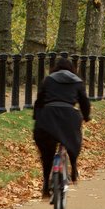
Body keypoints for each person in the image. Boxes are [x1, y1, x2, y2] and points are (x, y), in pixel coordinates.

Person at [33, 56, 91, 199]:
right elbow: (84, 102)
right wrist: (86, 116)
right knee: (73, 140)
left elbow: (40, 100)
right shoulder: (78, 82)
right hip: (69, 117)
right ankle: (74, 166)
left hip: (49, 116)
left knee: (46, 154)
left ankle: (46, 182)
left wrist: (37, 115)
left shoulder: (48, 80)